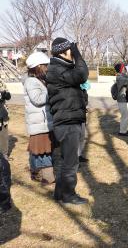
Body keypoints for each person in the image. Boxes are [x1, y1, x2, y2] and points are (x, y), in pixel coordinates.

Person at [46, 37, 89, 205]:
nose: (74, 54)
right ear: (63, 52)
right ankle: (68, 195)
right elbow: (82, 74)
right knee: (71, 163)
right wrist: (77, 54)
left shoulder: (60, 68)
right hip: (67, 122)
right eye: (71, 51)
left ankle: (59, 193)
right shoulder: (57, 69)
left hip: (69, 120)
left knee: (67, 161)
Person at [23, 52, 55, 184]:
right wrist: (52, 92)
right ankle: (46, 177)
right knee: (42, 151)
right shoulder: (31, 81)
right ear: (38, 67)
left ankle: (36, 174)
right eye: (45, 66)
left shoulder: (40, 80)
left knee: (42, 150)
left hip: (43, 122)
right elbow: (37, 100)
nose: (47, 68)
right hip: (38, 123)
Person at [0, 81, 11, 213]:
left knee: (3, 153)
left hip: (2, 119)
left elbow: (7, 95)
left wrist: (5, 95)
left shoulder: (1, 81)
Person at [115, 63, 128, 136]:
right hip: (121, 99)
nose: (125, 69)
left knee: (126, 115)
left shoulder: (123, 76)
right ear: (121, 69)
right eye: (124, 68)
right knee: (125, 115)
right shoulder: (120, 77)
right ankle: (122, 132)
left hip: (124, 99)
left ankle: (125, 129)